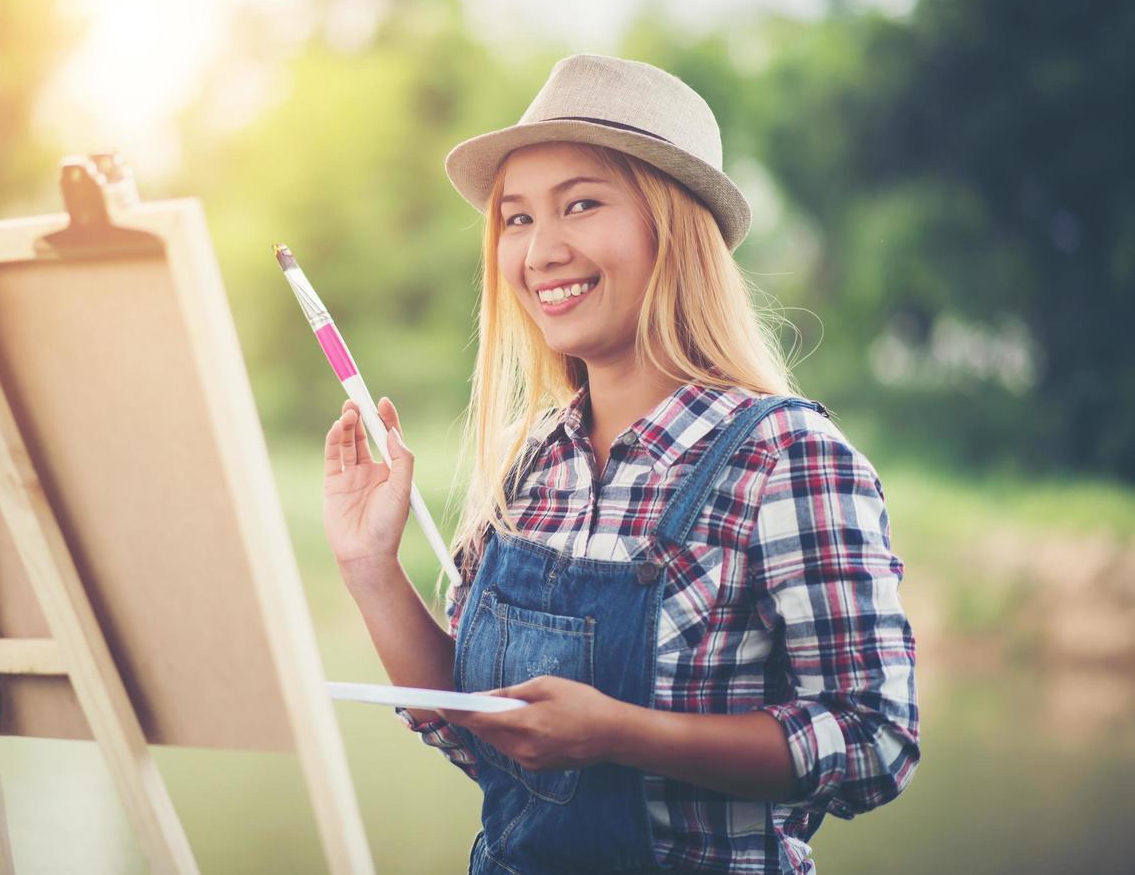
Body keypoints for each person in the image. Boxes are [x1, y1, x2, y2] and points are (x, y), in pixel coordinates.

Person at [321, 54, 919, 874]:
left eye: (581, 205)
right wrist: (369, 568)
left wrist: (619, 734)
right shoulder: (534, 466)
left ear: (670, 228)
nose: (539, 252)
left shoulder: (786, 458)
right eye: (517, 219)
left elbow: (873, 742)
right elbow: (478, 734)